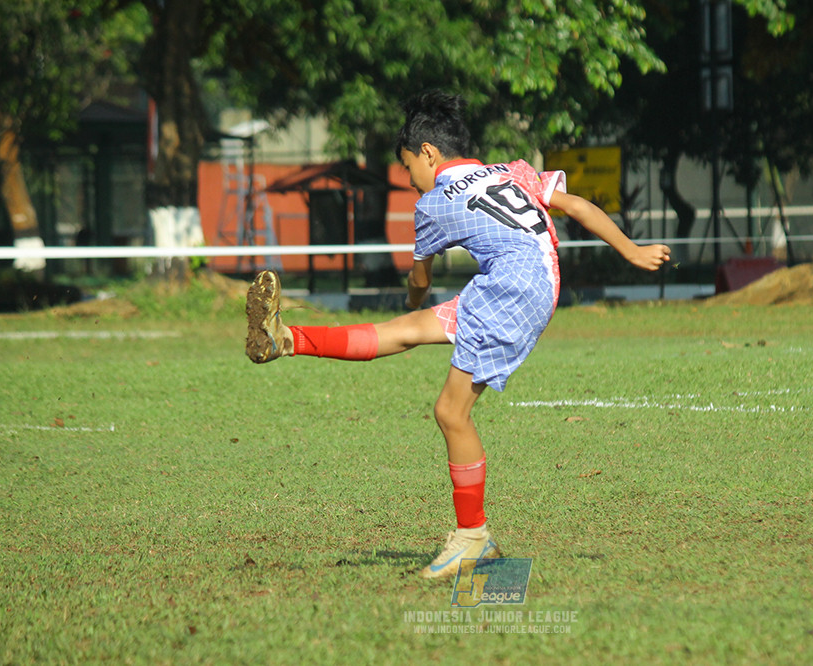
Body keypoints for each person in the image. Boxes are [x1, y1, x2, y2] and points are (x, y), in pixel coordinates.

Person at [245, 90, 671, 580]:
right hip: (530, 278)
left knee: (451, 411)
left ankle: (473, 537)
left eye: (408, 169)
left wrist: (411, 296)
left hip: (512, 288)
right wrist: (631, 250)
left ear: (428, 152)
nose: (410, 181)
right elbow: (574, 205)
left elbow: (420, 280)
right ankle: (287, 338)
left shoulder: (434, 203)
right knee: (402, 334)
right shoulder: (509, 170)